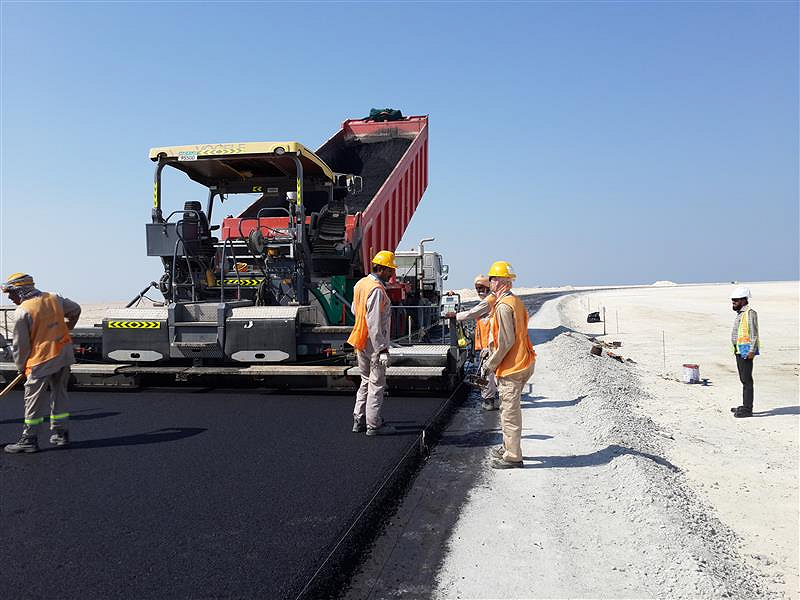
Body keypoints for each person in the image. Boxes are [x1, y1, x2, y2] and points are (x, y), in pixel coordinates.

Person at [2, 273, 81, 453]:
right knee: (59, 393)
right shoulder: (54, 298)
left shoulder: (23, 311)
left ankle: (28, 439)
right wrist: (67, 327)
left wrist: (21, 367)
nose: (9, 297)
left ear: (20, 291)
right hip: (63, 354)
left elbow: (20, 346)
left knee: (33, 400)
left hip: (41, 360)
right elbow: (76, 309)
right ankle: (61, 434)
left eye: (11, 293)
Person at [483, 261, 536, 469]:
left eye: (492, 279)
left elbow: (506, 341)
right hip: (524, 361)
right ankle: (507, 446)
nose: (490, 283)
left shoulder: (504, 306)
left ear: (500, 281)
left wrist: (490, 364)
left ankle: (513, 457)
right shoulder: (516, 301)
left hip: (512, 366)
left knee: (509, 413)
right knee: (508, 408)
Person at [347, 251, 397, 436]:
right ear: (382, 268)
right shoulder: (376, 290)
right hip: (373, 343)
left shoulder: (361, 284)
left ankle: (358, 420)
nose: (392, 274)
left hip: (360, 339)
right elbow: (374, 322)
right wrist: (382, 349)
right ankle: (374, 425)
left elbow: (355, 310)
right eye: (390, 270)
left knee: (365, 380)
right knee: (376, 383)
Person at [455, 274, 498, 410]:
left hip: (490, 344)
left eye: (481, 288)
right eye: (477, 288)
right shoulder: (492, 299)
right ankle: (495, 397)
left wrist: (454, 316)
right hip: (489, 343)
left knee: (487, 372)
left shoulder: (489, 301)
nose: (479, 291)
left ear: (488, 287)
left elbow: (472, 313)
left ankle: (488, 401)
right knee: (491, 372)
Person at [730, 286, 759, 418]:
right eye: (732, 300)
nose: (733, 302)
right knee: (743, 379)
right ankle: (745, 405)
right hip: (739, 350)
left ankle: (748, 409)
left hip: (746, 351)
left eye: (735, 300)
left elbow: (754, 334)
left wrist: (752, 351)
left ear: (743, 300)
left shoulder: (750, 313)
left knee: (747, 380)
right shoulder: (740, 313)